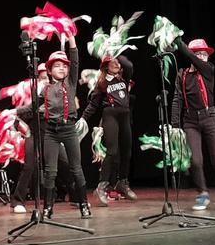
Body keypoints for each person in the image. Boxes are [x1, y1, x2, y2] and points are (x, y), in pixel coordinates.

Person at [16, 37, 92, 220]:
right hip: (51, 132)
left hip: (68, 130)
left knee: (76, 168)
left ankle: (83, 204)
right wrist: (15, 111)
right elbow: (32, 107)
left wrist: (73, 39)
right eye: (57, 66)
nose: (62, 68)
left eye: (64, 66)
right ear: (49, 70)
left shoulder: (71, 83)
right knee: (50, 171)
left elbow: (75, 59)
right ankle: (48, 208)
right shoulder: (45, 89)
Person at [171, 38, 215, 210]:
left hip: (210, 118)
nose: (202, 57)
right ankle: (202, 194)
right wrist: (174, 125)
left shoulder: (208, 70)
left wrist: (178, 41)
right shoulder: (182, 75)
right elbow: (177, 100)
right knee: (196, 161)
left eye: (204, 54)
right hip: (190, 121)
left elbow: (192, 58)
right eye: (198, 53)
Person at [80, 54, 137, 205]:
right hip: (110, 115)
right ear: (106, 66)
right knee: (112, 150)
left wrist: (118, 53)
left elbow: (129, 65)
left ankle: (122, 182)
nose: (117, 64)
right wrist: (83, 119)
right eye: (113, 62)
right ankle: (102, 186)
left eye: (118, 62)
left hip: (124, 115)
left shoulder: (123, 78)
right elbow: (93, 105)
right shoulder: (102, 83)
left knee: (127, 150)